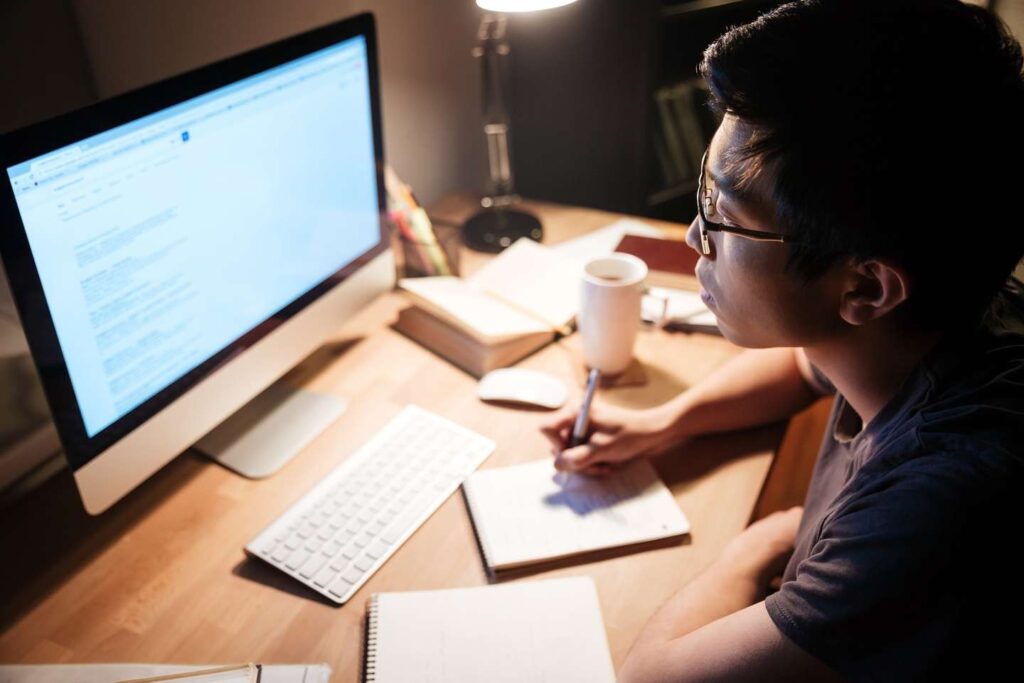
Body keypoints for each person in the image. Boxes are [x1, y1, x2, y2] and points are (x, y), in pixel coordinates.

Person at [541, 1, 1024, 680]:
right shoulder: (938, 322)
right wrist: (661, 423)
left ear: (866, 289)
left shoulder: (939, 500)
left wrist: (766, 539)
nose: (691, 238)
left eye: (722, 216)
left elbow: (653, 674)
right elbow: (805, 367)